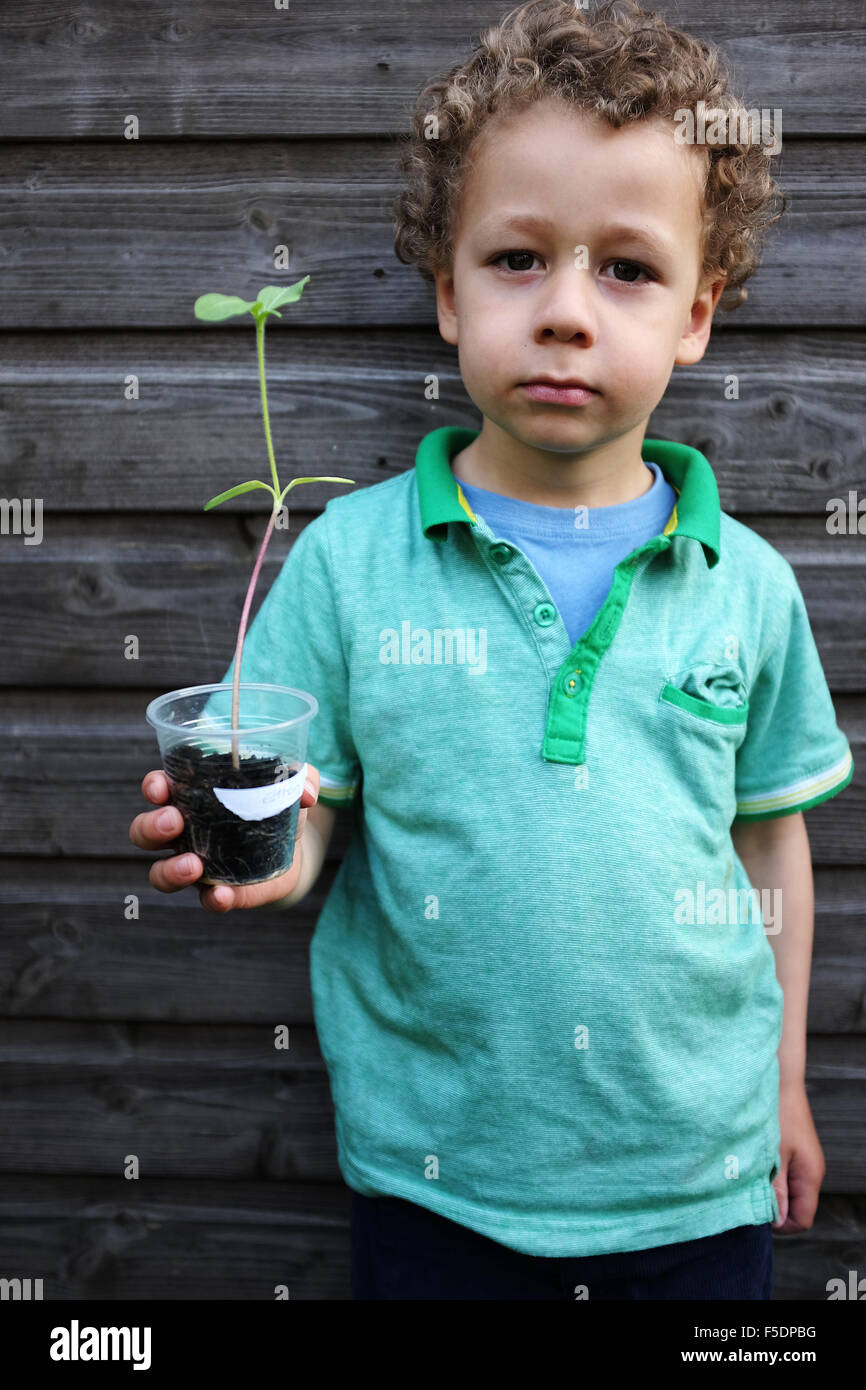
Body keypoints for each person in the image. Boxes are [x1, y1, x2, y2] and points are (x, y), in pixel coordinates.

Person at [129, 0, 854, 1299]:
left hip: (696, 1178)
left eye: (624, 269)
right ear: (446, 291)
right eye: (518, 258)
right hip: (435, 1180)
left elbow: (766, 844)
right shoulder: (353, 561)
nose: (567, 311)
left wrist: (785, 1084)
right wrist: (251, 857)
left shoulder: (743, 585)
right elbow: (302, 820)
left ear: (698, 314)